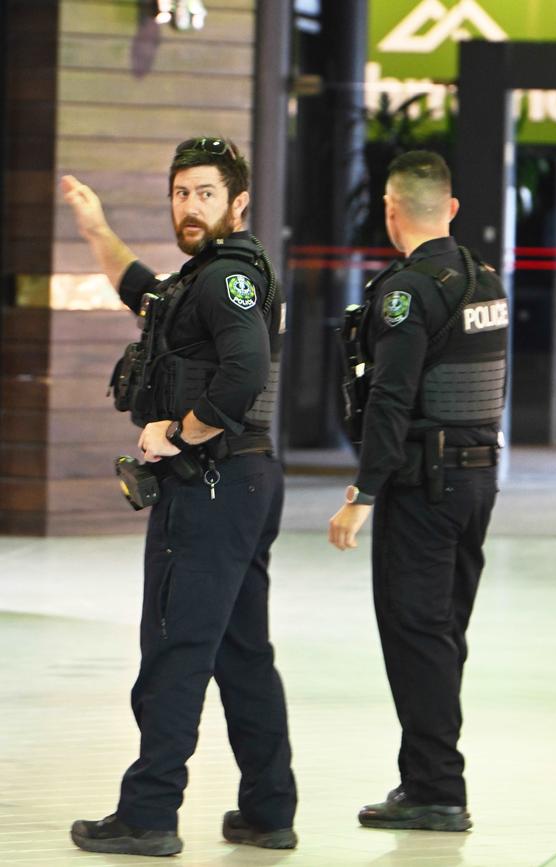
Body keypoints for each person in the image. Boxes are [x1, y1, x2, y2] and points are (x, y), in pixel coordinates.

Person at [61, 136, 297, 856]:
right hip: (242, 479)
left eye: (205, 193)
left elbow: (245, 368)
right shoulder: (203, 278)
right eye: (180, 192)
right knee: (241, 651)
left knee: (175, 646)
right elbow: (144, 291)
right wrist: (97, 229)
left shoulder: (230, 278)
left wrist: (176, 432)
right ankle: (266, 809)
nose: (189, 206)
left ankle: (150, 813)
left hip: (213, 483)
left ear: (239, 202)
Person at [329, 151, 508, 832]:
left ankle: (436, 788)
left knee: (416, 633)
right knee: (441, 631)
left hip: (424, 485)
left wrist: (362, 493)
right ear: (451, 208)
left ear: (390, 209)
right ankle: (425, 777)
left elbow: (391, 397)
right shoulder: (482, 280)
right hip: (476, 479)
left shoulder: (408, 291)